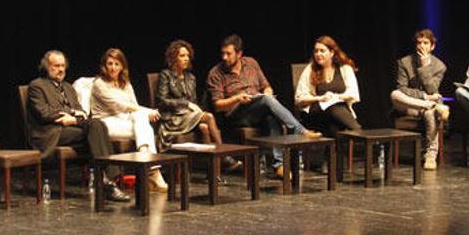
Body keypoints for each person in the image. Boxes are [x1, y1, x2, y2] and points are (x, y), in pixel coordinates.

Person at [206, 35, 321, 179]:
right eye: (222, 53)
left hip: (257, 107)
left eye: (228, 54)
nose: (224, 57)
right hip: (235, 114)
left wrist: (267, 94)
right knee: (266, 102)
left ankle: (278, 166)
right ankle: (299, 130)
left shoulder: (251, 63)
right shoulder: (216, 73)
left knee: (271, 116)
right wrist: (237, 98)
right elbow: (217, 105)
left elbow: (267, 87)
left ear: (239, 54)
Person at [26, 50, 129, 202]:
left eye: (63, 66)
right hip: (50, 133)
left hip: (70, 128)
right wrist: (69, 114)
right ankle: (110, 181)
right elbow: (44, 113)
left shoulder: (68, 87)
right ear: (47, 67)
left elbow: (80, 110)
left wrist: (73, 116)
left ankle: (106, 180)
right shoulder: (37, 86)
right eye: (56, 66)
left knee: (97, 124)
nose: (61, 69)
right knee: (94, 131)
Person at [155, 40, 242, 172]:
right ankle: (224, 156)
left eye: (187, 56)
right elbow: (161, 102)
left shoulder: (190, 78)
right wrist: (185, 104)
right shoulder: (165, 75)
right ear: (174, 58)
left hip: (188, 117)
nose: (186, 59)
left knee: (204, 127)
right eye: (182, 56)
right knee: (209, 117)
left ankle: (213, 172)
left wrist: (193, 108)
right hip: (173, 119)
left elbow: (194, 102)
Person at [90, 48, 168, 192]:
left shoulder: (125, 83)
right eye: (110, 64)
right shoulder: (99, 84)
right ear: (104, 66)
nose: (113, 68)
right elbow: (121, 106)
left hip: (124, 121)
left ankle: (147, 162)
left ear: (122, 67)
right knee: (143, 121)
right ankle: (153, 172)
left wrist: (143, 112)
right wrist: (148, 111)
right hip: (104, 124)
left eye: (117, 64)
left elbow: (134, 106)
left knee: (140, 117)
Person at [390, 28, 449, 170]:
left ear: (432, 46)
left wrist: (424, 67)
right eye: (419, 42)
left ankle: (430, 155)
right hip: (409, 105)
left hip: (424, 109)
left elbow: (432, 88)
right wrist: (425, 98)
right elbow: (402, 89)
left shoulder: (440, 66)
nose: (422, 46)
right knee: (394, 94)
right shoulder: (404, 62)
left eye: (426, 43)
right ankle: (430, 106)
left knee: (429, 113)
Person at [294, 35, 362, 137]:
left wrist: (336, 97)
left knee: (334, 123)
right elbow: (299, 98)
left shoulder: (345, 68)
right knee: (333, 108)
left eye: (322, 51)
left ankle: (337, 152)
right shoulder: (310, 69)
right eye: (316, 51)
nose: (318, 54)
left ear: (332, 52)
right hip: (315, 111)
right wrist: (320, 98)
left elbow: (353, 93)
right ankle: (359, 131)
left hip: (337, 112)